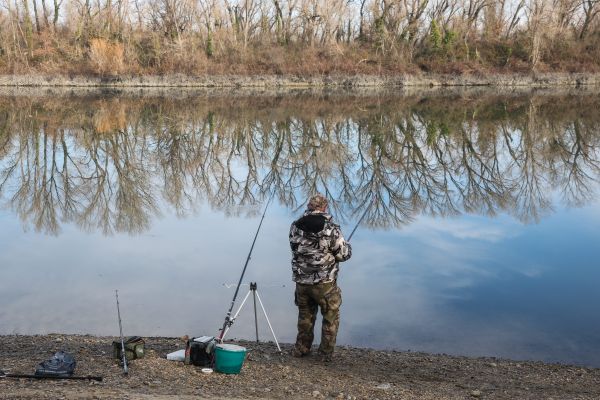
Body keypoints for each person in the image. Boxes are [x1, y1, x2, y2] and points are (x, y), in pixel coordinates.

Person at [289, 193, 352, 361]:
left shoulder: (295, 226)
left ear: (309, 206)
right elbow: (343, 255)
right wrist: (347, 247)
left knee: (305, 316)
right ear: (324, 207)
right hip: (324, 282)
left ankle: (301, 349)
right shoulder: (331, 228)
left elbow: (295, 248)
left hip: (301, 280)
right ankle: (324, 354)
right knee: (330, 316)